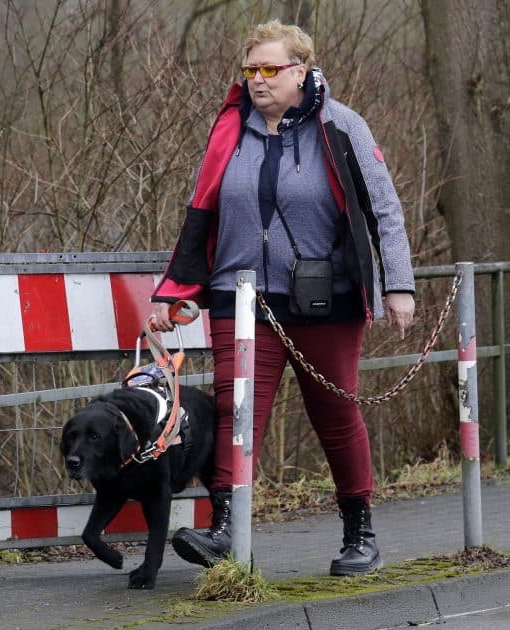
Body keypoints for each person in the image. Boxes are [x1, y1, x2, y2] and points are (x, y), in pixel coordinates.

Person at [149, 19, 415, 577]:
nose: (258, 80)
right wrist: (175, 290)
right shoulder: (229, 131)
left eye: (270, 68)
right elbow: (200, 214)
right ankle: (226, 530)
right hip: (238, 298)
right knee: (235, 410)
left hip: (327, 299)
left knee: (336, 415)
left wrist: (399, 285)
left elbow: (383, 211)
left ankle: (359, 532)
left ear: (302, 70)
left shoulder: (340, 126)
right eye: (250, 70)